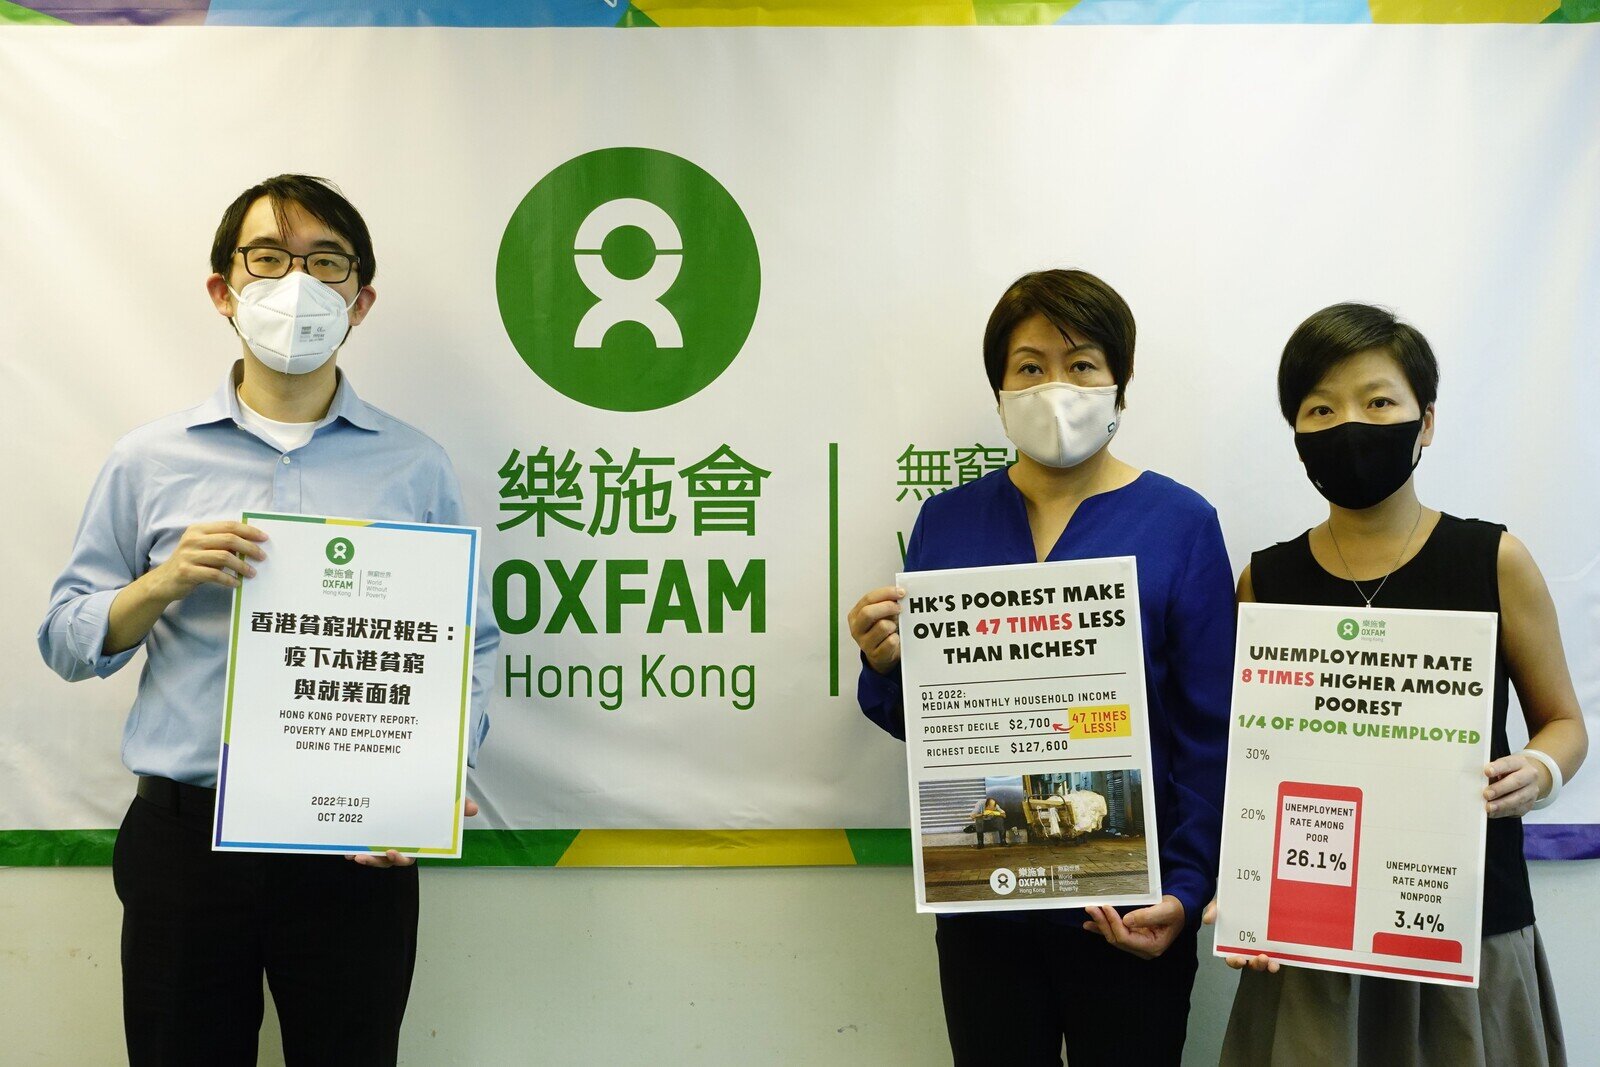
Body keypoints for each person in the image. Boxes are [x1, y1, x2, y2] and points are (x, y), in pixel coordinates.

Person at [37, 174, 500, 1066]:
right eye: (270, 258)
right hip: (186, 843)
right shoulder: (149, 460)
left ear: (360, 301)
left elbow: (467, 647)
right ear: (224, 289)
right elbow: (65, 639)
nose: (299, 283)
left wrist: (429, 774)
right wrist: (162, 582)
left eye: (327, 263)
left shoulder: (414, 466)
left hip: (355, 843)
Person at [849, 269, 1235, 1065]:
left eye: (1082, 363)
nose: (1055, 386)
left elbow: (1211, 730)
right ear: (999, 389)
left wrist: (1188, 888)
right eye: (1030, 366)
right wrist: (883, 662)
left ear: (1119, 384)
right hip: (984, 902)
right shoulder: (948, 520)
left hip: (1127, 905)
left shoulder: (1182, 523)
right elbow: (922, 717)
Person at [1210, 303, 1586, 1066]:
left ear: (1426, 421)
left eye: (1378, 401)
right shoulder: (1264, 579)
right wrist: (1246, 887)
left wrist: (1539, 770)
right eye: (1321, 407)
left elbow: (1564, 722)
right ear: (1297, 432)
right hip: (1311, 935)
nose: (1350, 424)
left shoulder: (1493, 558)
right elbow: (1250, 754)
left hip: (1465, 921)